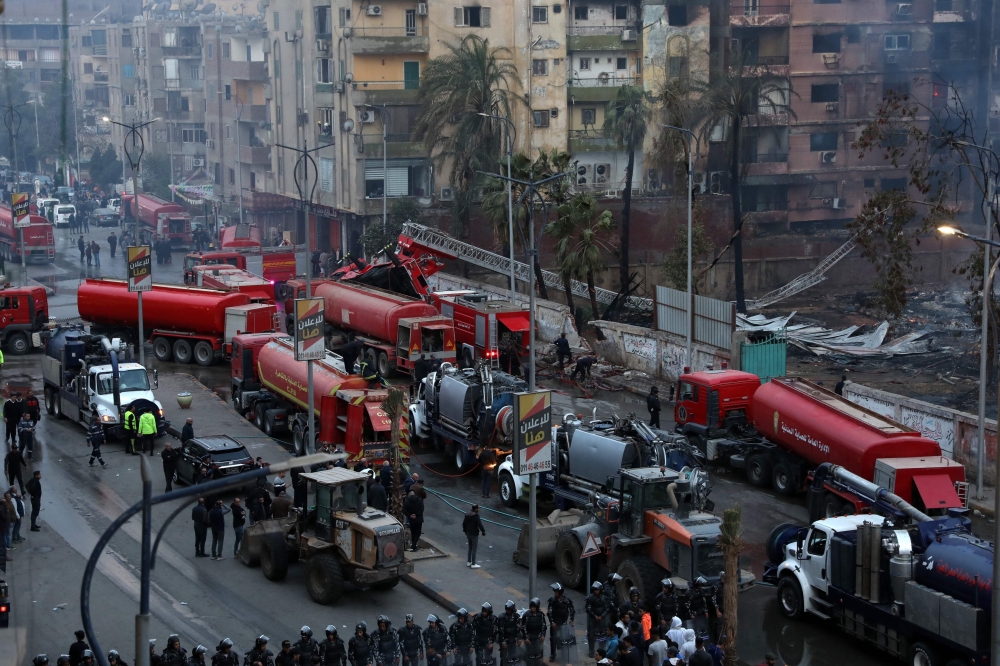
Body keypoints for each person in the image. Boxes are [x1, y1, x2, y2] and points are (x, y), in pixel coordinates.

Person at [547, 582, 575, 662]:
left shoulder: (567, 601)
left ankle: (563, 654)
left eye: (556, 592)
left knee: (563, 639)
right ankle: (553, 654)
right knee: (553, 639)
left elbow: (572, 610)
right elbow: (549, 612)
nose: (554, 593)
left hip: (563, 623)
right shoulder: (552, 601)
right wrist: (552, 622)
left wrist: (571, 620)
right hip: (555, 623)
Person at [585, 582, 609, 658]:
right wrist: (594, 615)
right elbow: (587, 608)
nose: (596, 591)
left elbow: (607, 608)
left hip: (602, 620)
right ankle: (591, 651)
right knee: (591, 636)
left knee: (602, 636)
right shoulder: (590, 597)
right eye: (594, 590)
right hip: (592, 619)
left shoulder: (604, 598)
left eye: (597, 590)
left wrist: (602, 616)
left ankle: (601, 651)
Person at [522, 599, 547, 666]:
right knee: (529, 657)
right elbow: (523, 627)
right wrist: (526, 638)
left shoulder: (541, 615)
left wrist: (543, 635)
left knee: (538, 656)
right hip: (529, 639)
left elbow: (544, 626)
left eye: (534, 607)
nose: (533, 608)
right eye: (532, 607)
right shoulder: (526, 615)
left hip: (538, 639)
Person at [462, 503, 486, 569]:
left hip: (468, 533)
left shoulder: (467, 514)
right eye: (478, 508)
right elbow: (479, 524)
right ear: (476, 509)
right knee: (474, 549)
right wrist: (483, 531)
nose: (479, 509)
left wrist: (465, 531)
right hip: (474, 534)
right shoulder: (476, 516)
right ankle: (473, 563)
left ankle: (468, 562)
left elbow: (464, 524)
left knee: (470, 548)